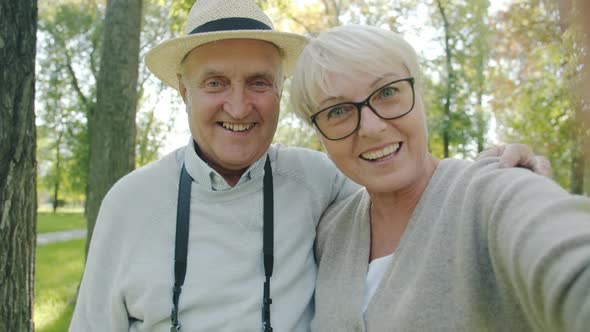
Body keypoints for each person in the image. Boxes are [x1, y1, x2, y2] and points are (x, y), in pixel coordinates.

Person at [69, 1, 551, 331]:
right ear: (183, 91)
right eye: (215, 82)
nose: (238, 107)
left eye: (259, 82)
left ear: (280, 89)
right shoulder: (129, 204)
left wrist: (494, 173)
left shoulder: (322, 183)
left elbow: (405, 181)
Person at [289, 24, 590, 331]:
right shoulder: (330, 233)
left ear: (421, 96)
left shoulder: (492, 191)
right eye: (337, 111)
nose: (371, 127)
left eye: (388, 92)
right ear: (319, 133)